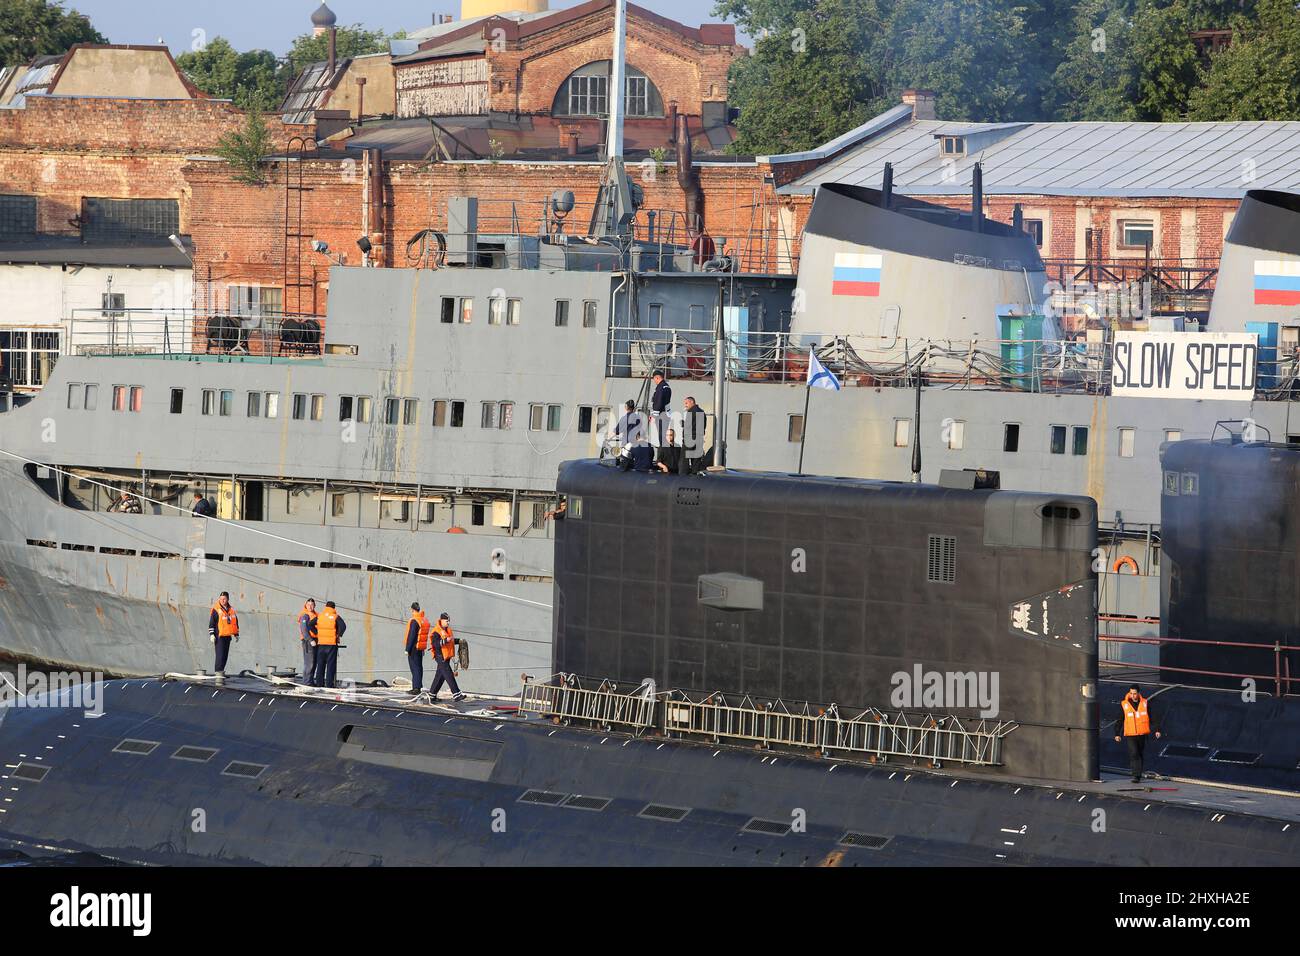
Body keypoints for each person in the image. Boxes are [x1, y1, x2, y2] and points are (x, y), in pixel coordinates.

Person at [1114, 684, 1161, 783]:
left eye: (1134, 693)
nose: (1133, 695)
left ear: (1138, 693)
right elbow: (1120, 720)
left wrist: (1157, 730)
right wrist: (1117, 733)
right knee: (1134, 753)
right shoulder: (1124, 704)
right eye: (1131, 693)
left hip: (1142, 734)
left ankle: (1138, 774)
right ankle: (1136, 775)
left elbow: (1152, 717)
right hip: (1131, 734)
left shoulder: (1145, 703)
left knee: (1139, 754)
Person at [429, 612, 466, 701]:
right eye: (446, 621)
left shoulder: (448, 630)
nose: (448, 623)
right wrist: (445, 640)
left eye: (449, 621)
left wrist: (459, 641)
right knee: (449, 675)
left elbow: (451, 641)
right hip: (440, 656)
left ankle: (432, 695)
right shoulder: (436, 631)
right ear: (441, 620)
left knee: (440, 677)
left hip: (446, 657)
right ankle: (456, 694)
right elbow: (435, 644)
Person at [312, 601, 346, 688]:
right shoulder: (335, 616)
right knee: (330, 665)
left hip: (321, 644)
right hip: (331, 644)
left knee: (320, 664)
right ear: (334, 608)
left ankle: (319, 683)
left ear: (325, 607)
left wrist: (317, 633)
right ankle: (329, 684)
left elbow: (310, 624)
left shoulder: (320, 616)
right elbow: (343, 626)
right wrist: (338, 635)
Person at [208, 592, 238, 677]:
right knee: (220, 656)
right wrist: (212, 634)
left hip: (227, 637)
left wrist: (236, 634)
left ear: (227, 599)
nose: (222, 600)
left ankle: (221, 672)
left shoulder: (231, 610)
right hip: (219, 637)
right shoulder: (216, 609)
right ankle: (218, 674)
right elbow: (212, 623)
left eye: (224, 599)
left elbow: (235, 622)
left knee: (225, 656)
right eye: (221, 599)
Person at [405, 602, 431, 694]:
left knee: (414, 667)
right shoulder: (423, 620)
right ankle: (418, 686)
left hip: (413, 648)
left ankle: (416, 688)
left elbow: (411, 636)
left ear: (412, 609)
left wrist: (407, 649)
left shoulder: (414, 620)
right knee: (419, 667)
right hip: (420, 647)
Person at [680, 396, 708, 475]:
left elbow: (688, 426)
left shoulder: (691, 412)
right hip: (699, 439)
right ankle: (694, 475)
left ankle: (683, 476)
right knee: (696, 459)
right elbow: (704, 425)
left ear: (692, 402)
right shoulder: (702, 412)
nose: (685, 405)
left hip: (690, 438)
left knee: (684, 458)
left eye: (686, 403)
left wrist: (682, 424)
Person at [298, 598, 318, 683]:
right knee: (309, 663)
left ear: (314, 606)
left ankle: (311, 681)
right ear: (305, 605)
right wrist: (310, 640)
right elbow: (304, 629)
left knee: (314, 663)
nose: (310, 606)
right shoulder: (305, 615)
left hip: (316, 640)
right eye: (308, 605)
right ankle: (307, 682)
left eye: (312, 605)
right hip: (308, 642)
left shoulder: (316, 615)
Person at [651, 370, 671, 444]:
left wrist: (654, 415)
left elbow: (659, 402)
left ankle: (663, 453)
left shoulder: (660, 388)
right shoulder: (667, 386)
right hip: (666, 414)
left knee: (661, 437)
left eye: (654, 379)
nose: (654, 381)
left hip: (661, 415)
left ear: (657, 378)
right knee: (663, 436)